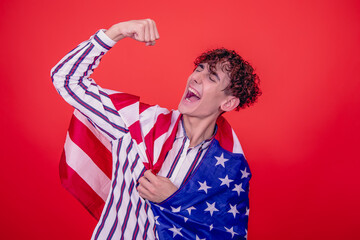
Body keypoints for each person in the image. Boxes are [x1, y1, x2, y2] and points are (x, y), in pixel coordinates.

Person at [51, 19, 260, 240]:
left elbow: (224, 233)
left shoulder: (229, 168)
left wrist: (175, 199)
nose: (195, 77)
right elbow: (65, 79)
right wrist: (116, 32)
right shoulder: (136, 123)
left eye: (211, 77)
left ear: (227, 103)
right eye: (199, 69)